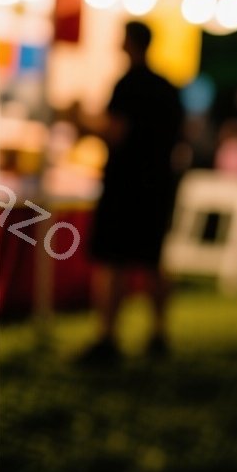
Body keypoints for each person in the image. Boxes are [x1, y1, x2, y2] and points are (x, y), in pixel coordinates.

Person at [78, 20, 185, 366]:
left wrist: (81, 122)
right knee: (153, 259)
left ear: (129, 42)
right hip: (158, 184)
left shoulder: (128, 84)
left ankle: (107, 336)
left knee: (112, 260)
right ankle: (159, 332)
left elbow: (116, 132)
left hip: (125, 184)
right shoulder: (167, 87)